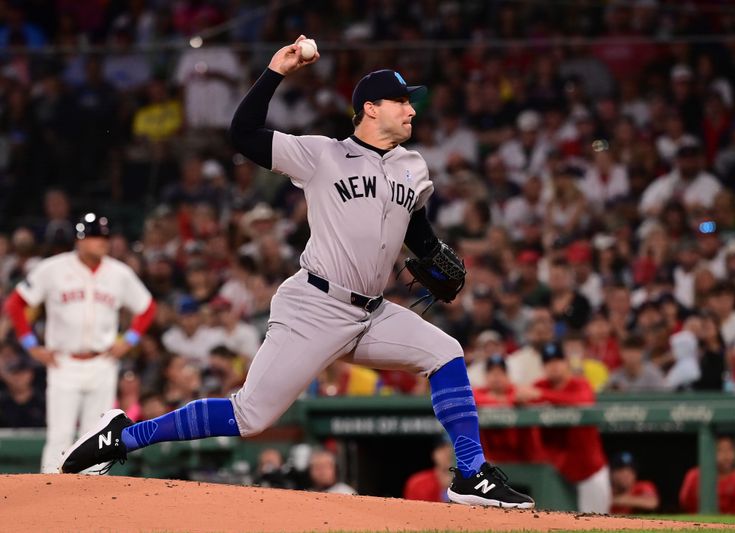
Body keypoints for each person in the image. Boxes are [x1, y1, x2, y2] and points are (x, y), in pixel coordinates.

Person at [57, 36, 533, 509]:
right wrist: (277, 71)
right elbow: (242, 134)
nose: (412, 111)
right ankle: (122, 437)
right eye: (402, 102)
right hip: (315, 305)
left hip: (371, 314)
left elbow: (418, 232)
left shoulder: (414, 167)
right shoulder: (321, 154)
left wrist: (435, 256)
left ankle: (471, 474)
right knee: (249, 416)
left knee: (446, 351)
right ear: (371, 108)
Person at [2, 213, 155, 473]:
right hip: (64, 363)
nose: (101, 242)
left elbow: (147, 307)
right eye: (95, 236)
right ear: (79, 240)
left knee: (97, 436)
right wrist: (31, 344)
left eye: (104, 236)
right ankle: (48, 492)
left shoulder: (119, 273)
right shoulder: (53, 269)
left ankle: (92, 499)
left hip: (102, 363)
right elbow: (15, 304)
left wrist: (129, 340)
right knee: (59, 436)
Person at [517, 341, 610, 513]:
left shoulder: (579, 384)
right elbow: (518, 397)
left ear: (566, 362)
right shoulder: (540, 385)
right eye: (548, 362)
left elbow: (584, 401)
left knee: (597, 523)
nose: (554, 366)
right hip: (559, 471)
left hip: (589, 470)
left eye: (557, 360)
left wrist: (542, 396)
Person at [679, 435, 735, 514]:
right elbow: (685, 503)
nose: (726, 455)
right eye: (719, 450)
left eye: (730, 449)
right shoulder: (694, 476)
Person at [403, 439, 454, 503]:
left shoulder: (469, 485)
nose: (448, 453)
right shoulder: (418, 483)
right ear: (434, 454)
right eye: (442, 449)